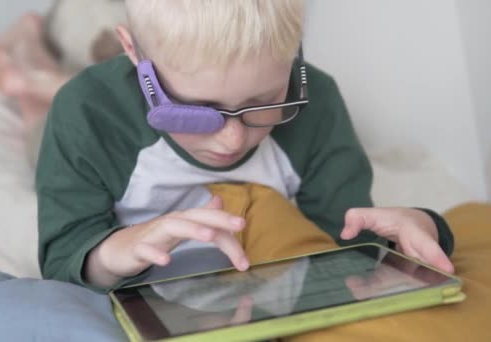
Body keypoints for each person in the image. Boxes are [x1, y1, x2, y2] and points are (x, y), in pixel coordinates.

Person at [33, 0, 455, 293]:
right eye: (197, 109)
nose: (232, 139)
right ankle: (24, 71)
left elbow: (342, 247)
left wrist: (424, 227)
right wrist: (112, 254)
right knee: (39, 117)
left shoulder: (318, 101)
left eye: (264, 103)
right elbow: (63, 259)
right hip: (84, 116)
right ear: (134, 50)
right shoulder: (87, 114)